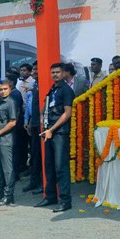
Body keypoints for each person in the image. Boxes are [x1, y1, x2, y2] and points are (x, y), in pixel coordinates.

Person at [35, 63, 74, 213]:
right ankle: (50, 196)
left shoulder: (66, 90)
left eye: (58, 72)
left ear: (64, 73)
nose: (55, 75)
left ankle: (65, 201)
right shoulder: (52, 89)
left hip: (60, 133)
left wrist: (51, 129)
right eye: (53, 72)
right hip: (49, 132)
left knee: (61, 167)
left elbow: (67, 113)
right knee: (49, 166)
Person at [0, 79, 18, 206]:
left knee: (7, 169)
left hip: (6, 139)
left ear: (10, 89)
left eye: (5, 89)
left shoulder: (11, 102)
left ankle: (8, 195)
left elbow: (13, 122)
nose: (2, 91)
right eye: (0, 89)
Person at [22, 63, 43, 194]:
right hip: (34, 123)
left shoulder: (46, 85)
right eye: (34, 69)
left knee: (42, 156)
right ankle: (34, 181)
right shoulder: (34, 86)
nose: (35, 71)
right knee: (35, 155)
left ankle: (43, 183)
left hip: (44, 126)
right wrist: (29, 120)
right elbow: (30, 106)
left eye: (37, 69)